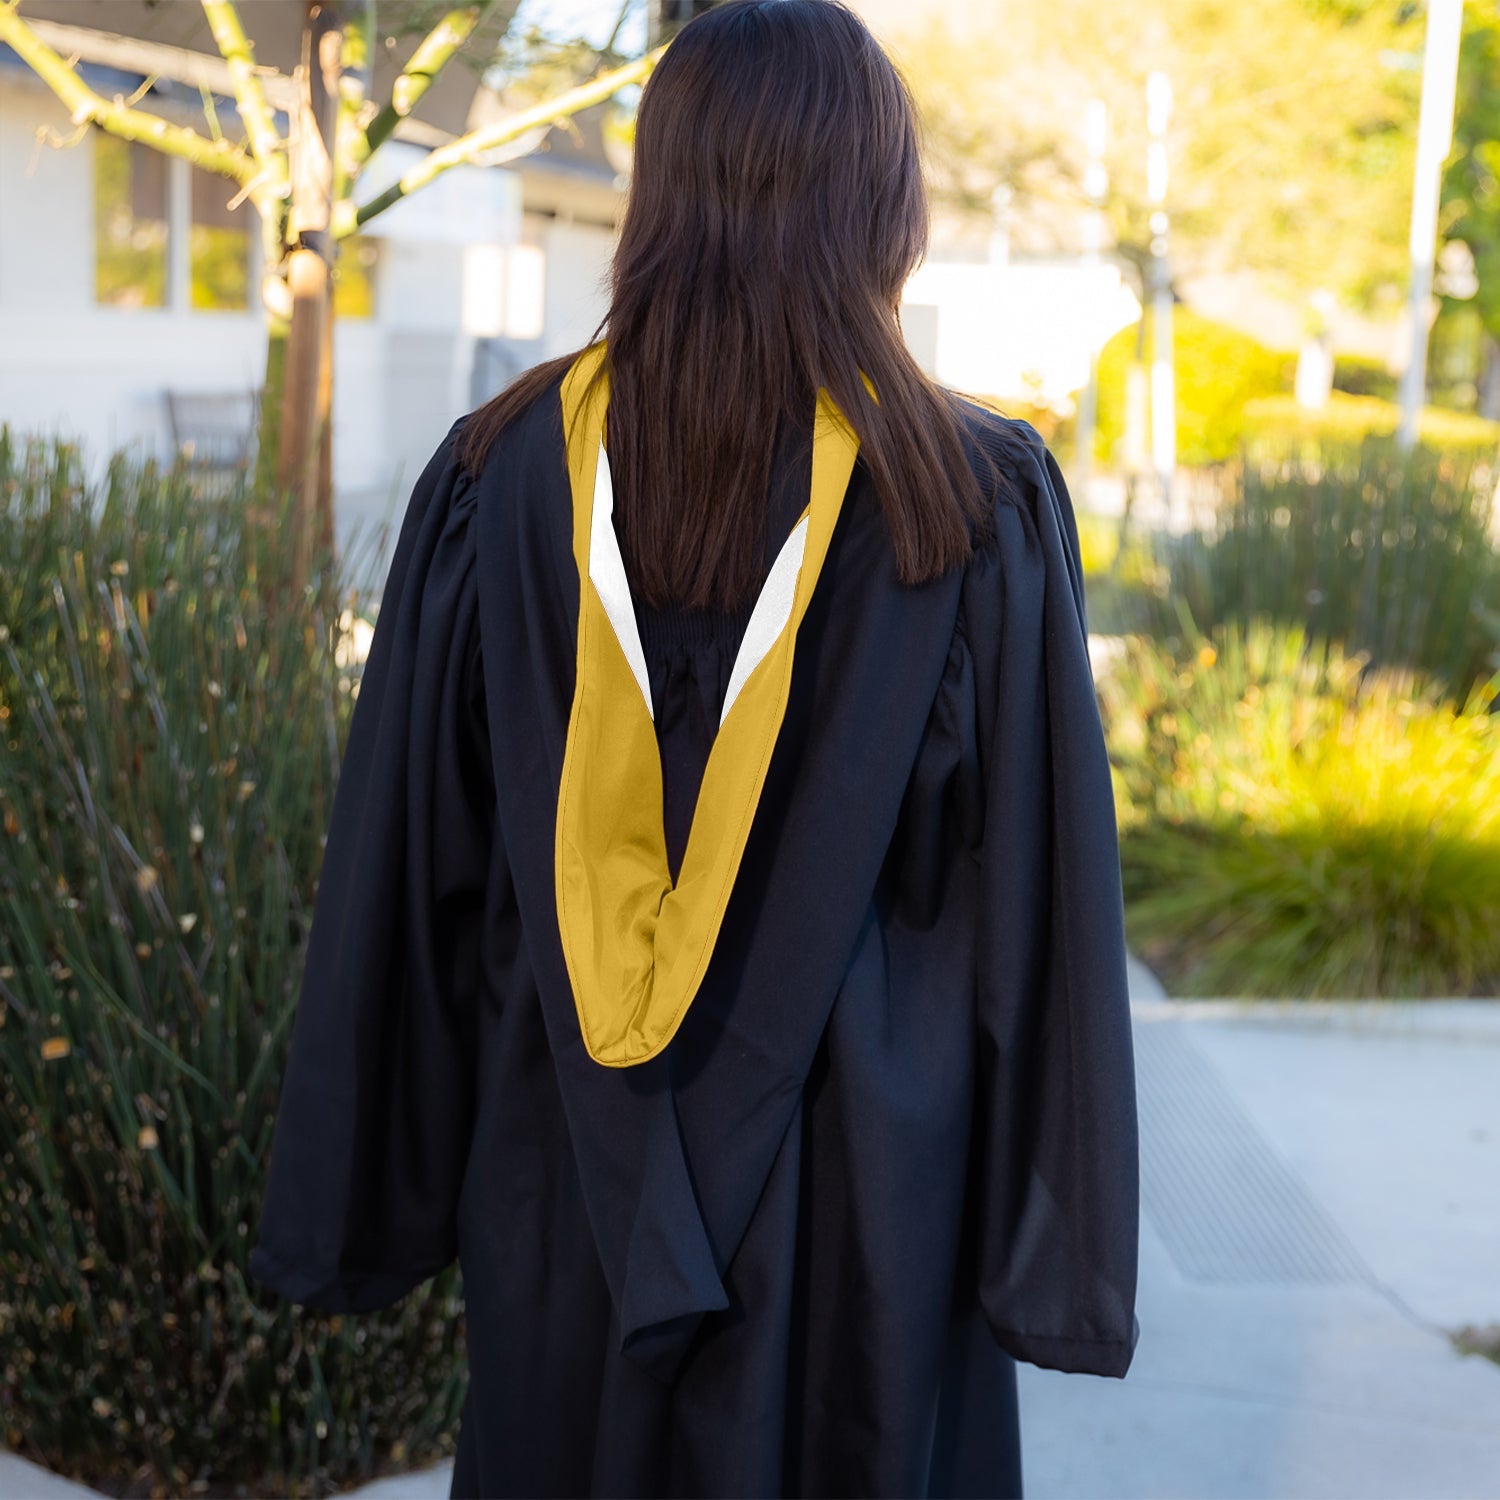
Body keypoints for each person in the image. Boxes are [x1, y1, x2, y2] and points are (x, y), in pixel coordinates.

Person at [247, 2, 1141, 1496]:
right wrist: (1049, 1244)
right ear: (884, 203)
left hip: (568, 1192)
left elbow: (412, 875)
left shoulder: (501, 477)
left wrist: (362, 1198)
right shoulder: (969, 503)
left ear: (657, 190)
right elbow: (1040, 909)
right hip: (876, 1217)